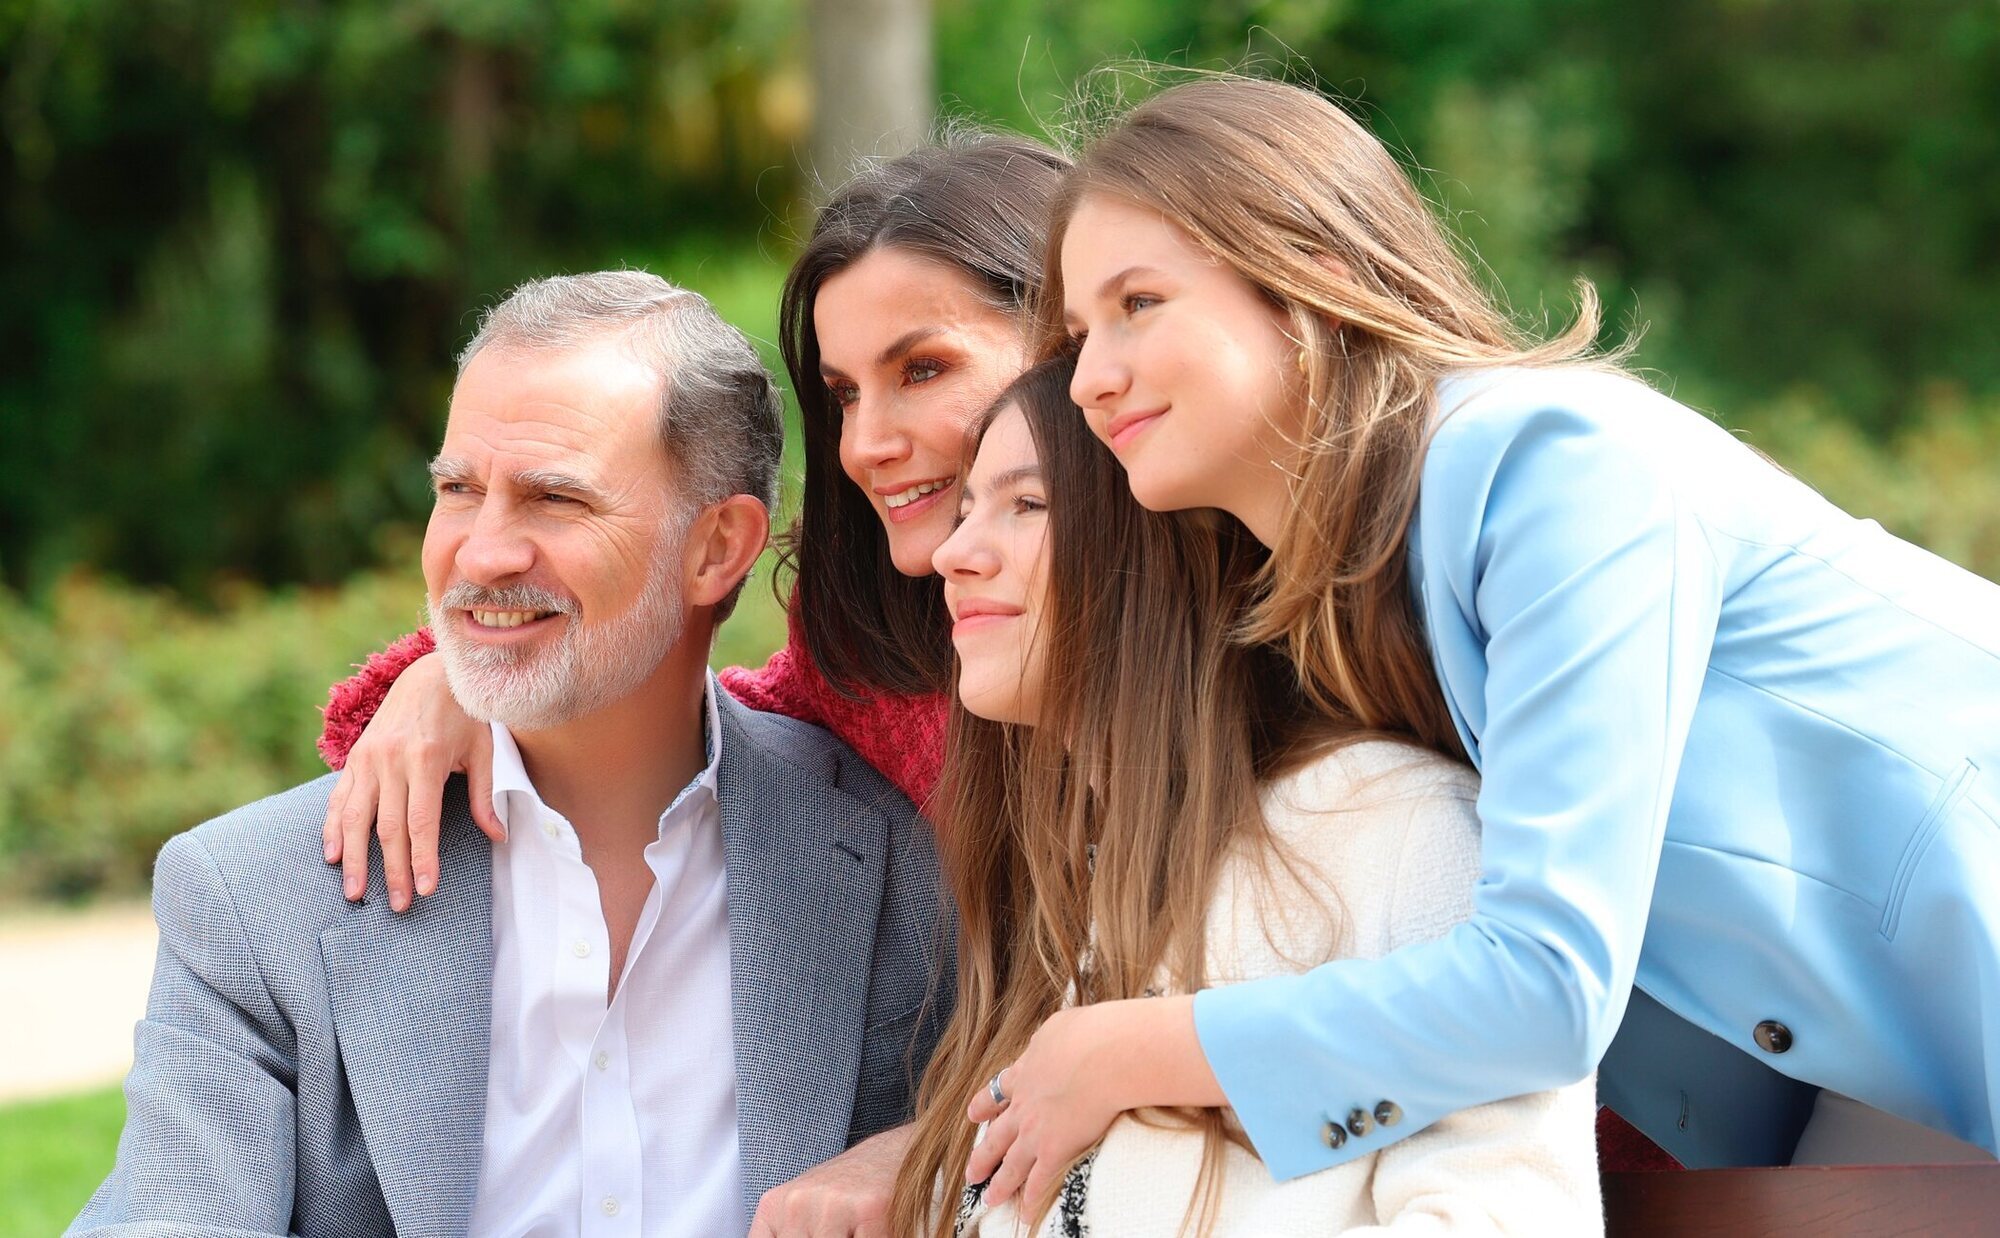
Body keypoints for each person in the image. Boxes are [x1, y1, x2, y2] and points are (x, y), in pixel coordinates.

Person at [955, 74, 2000, 1206]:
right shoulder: (1333, 590)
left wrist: (1128, 1050)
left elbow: (1546, 981)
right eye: (1074, 334)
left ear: (1317, 275)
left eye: (1139, 303)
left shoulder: (1546, 468)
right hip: (1874, 1093)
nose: (1091, 377)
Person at [71, 272, 948, 1237]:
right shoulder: (251, 900)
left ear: (718, 548)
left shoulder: (909, 861)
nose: (482, 553)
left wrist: (927, 1145)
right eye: (458, 490)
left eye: (553, 498)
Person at [888, 356, 1599, 1236]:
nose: (954, 555)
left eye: (1026, 505)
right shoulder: (1064, 900)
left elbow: (1509, 1218)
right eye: (962, 514)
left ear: (1160, 550)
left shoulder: (1385, 825)